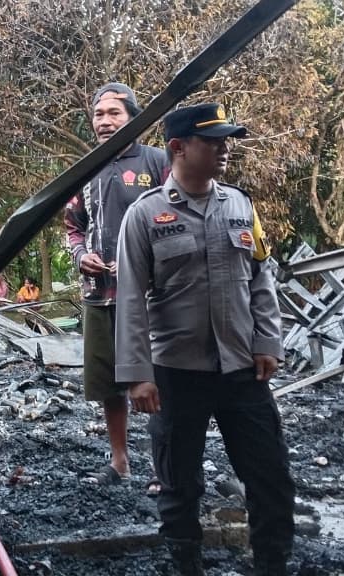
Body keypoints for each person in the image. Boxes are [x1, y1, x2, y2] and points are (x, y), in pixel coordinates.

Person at [115, 104, 293, 576]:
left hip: (242, 369)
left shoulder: (240, 205)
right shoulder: (145, 215)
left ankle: (272, 563)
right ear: (178, 147)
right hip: (175, 372)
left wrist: (268, 341)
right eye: (213, 141)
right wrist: (137, 376)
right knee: (179, 482)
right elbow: (130, 300)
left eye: (226, 140)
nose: (224, 149)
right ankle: (186, 564)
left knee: (270, 475)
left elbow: (261, 278)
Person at [64, 82, 168, 489]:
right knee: (110, 384)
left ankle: (164, 467)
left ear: (134, 118)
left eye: (114, 113)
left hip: (150, 297)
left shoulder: (157, 162)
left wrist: (146, 263)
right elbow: (73, 226)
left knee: (159, 380)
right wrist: (80, 256)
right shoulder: (86, 169)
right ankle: (120, 461)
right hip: (100, 294)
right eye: (98, 114)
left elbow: (176, 217)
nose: (105, 121)